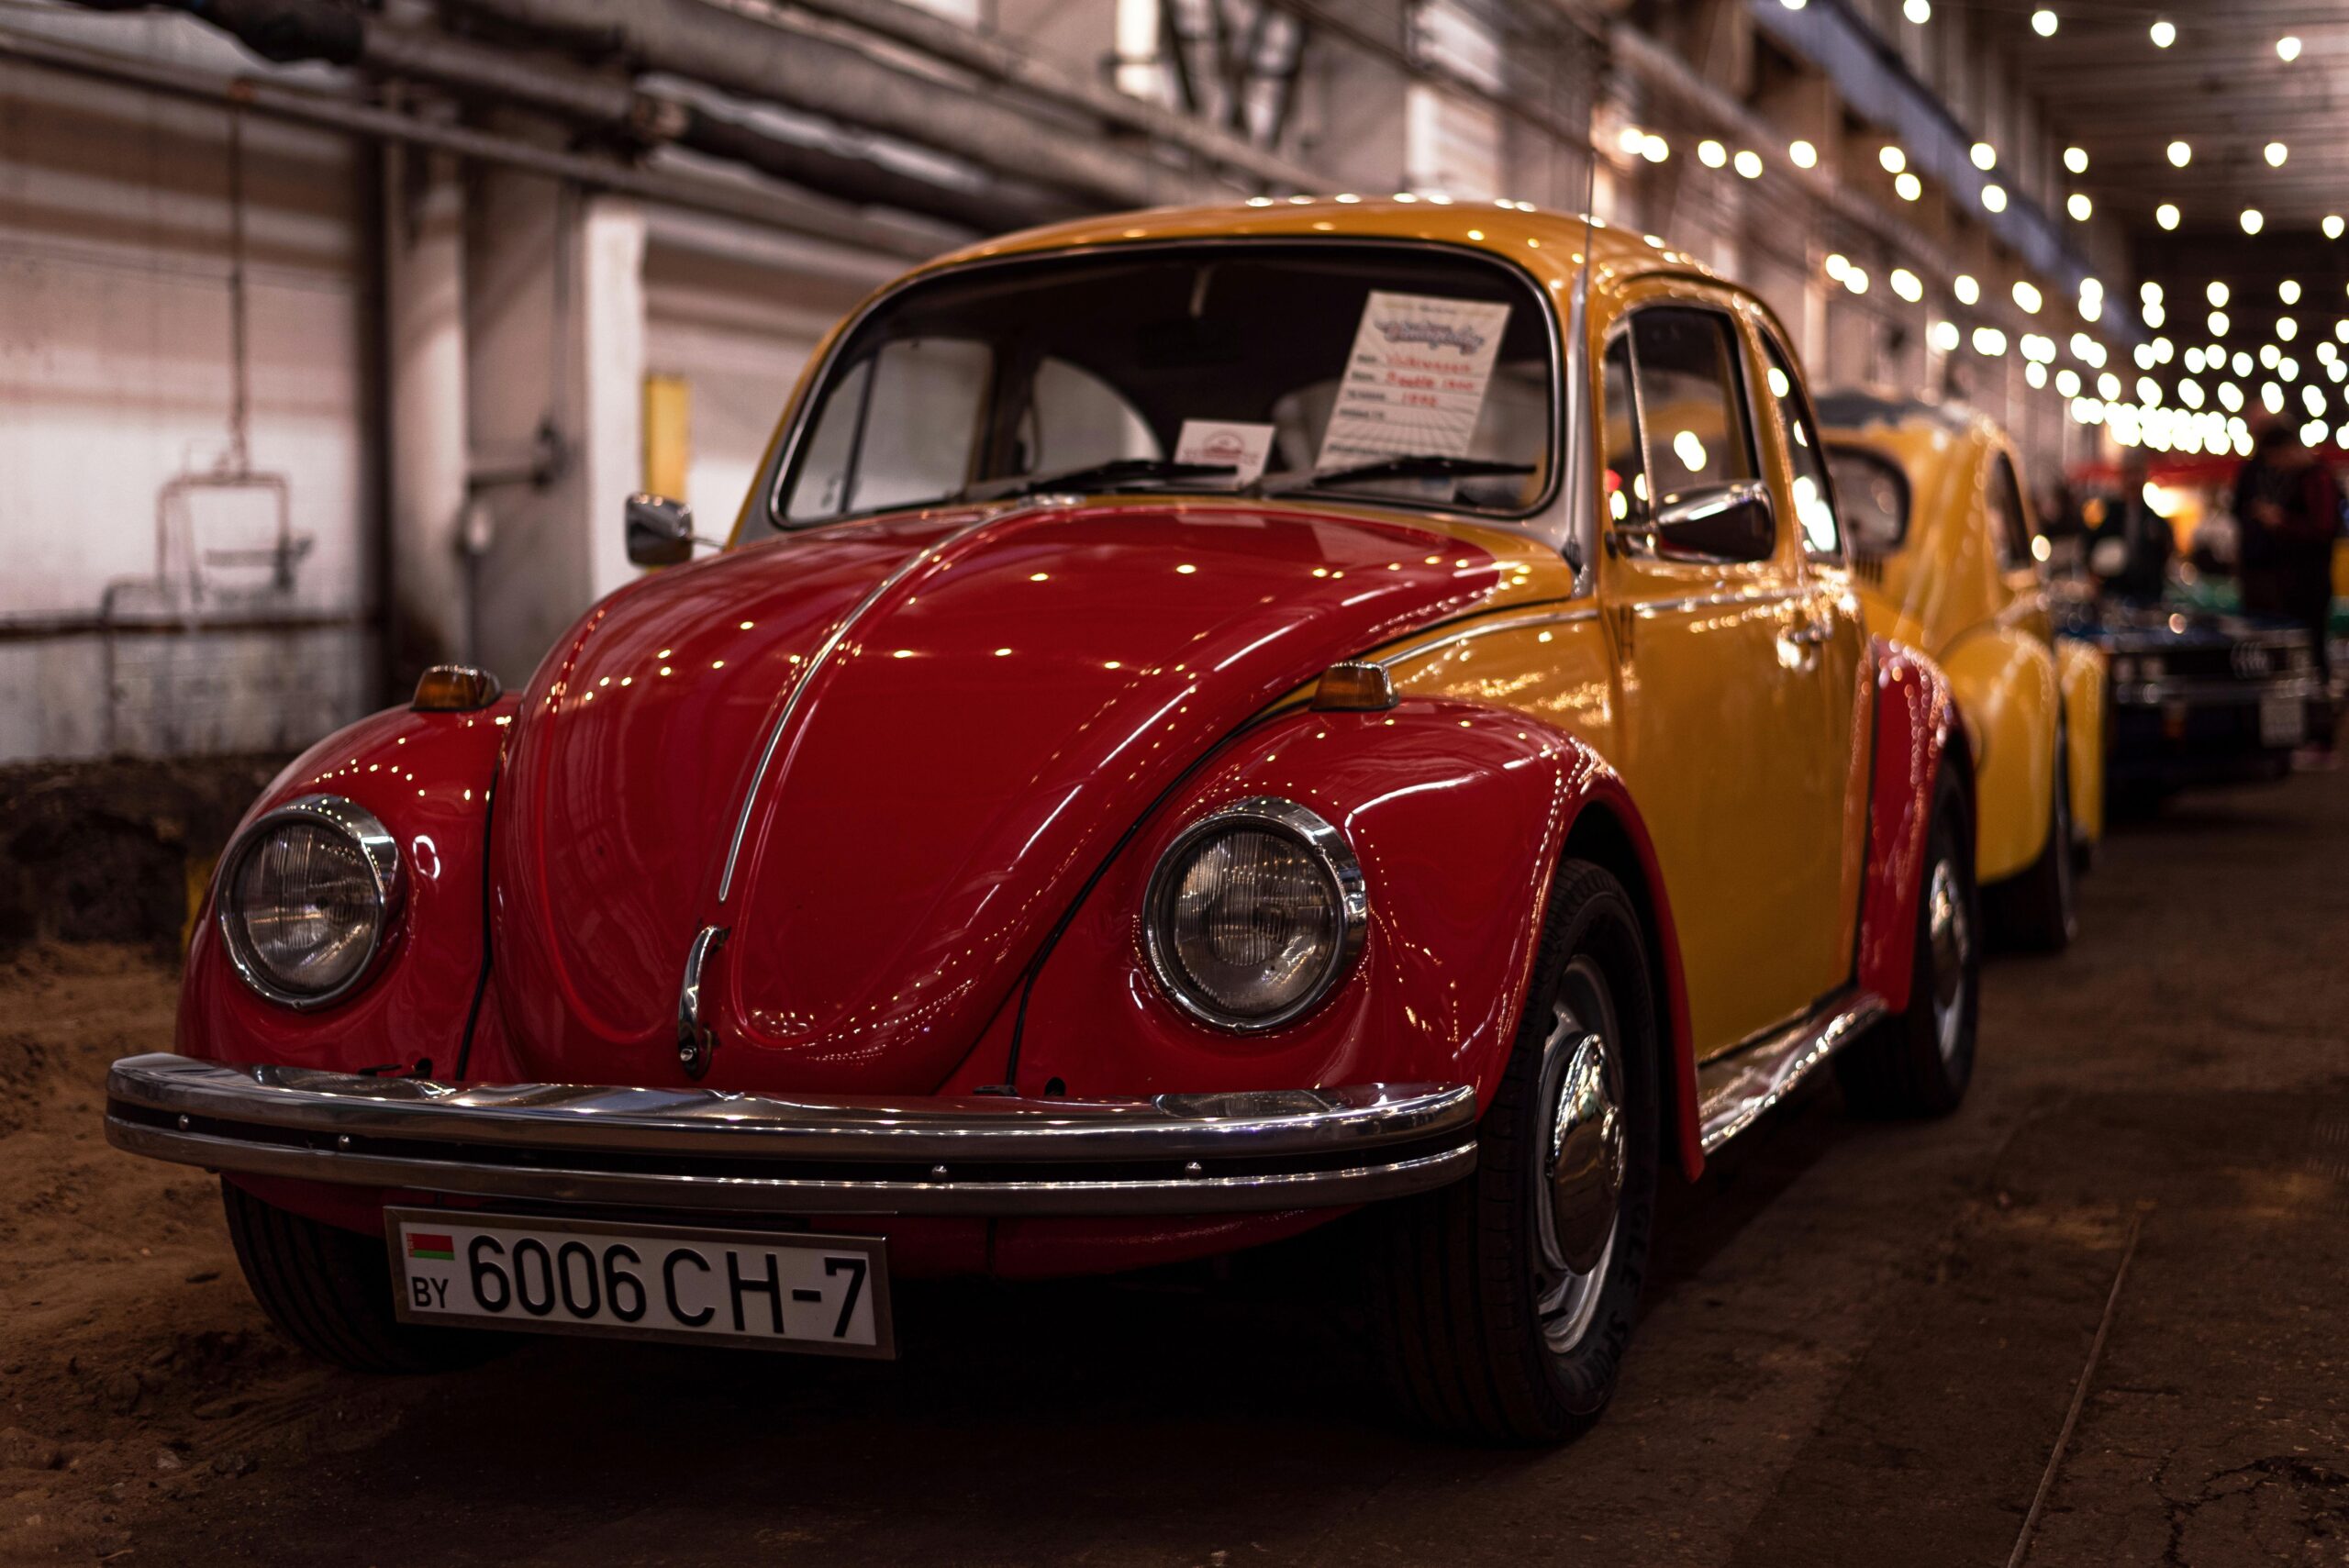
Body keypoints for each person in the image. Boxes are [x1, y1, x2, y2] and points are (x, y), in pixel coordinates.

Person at [2236, 422, 2341, 764]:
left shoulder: (2317, 478)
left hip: (2310, 583)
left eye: (2277, 459)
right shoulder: (2304, 478)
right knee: (2302, 658)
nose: (2276, 467)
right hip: (2293, 582)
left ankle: (2323, 738)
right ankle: (2310, 735)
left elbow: (2323, 528)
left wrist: (2280, 522)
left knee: (2313, 658)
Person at [2088, 449, 2174, 605]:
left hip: (2148, 598)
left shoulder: (2155, 520)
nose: (2133, 480)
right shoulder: (2108, 515)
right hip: (2114, 596)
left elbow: (2166, 554)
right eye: (2129, 473)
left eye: (2137, 473)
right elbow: (2091, 550)